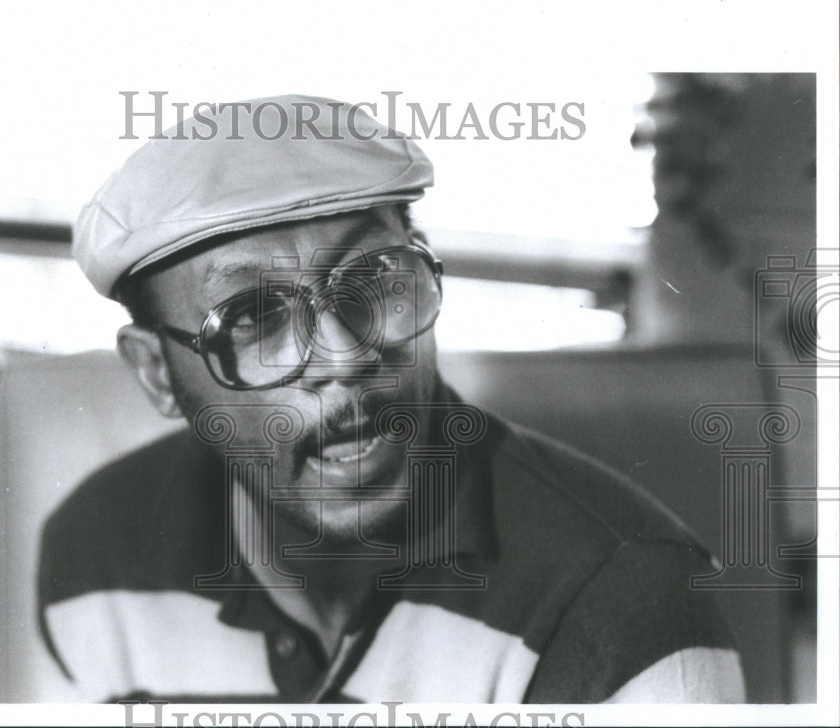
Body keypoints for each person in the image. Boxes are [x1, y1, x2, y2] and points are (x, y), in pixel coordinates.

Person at [38, 95, 746, 704]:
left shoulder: (626, 604)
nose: (346, 356)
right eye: (253, 316)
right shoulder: (96, 555)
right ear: (158, 372)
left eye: (374, 277)